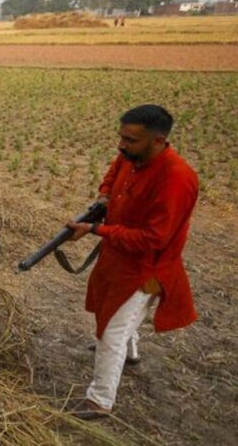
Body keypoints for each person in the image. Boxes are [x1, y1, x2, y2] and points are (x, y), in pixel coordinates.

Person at [65, 104, 199, 420]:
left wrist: (95, 229)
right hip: (118, 258)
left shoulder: (176, 179)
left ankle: (100, 401)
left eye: (131, 140)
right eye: (121, 137)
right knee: (112, 310)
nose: (122, 145)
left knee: (112, 330)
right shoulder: (133, 158)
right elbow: (114, 173)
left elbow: (154, 239)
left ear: (159, 140)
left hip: (149, 269)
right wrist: (104, 197)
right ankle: (131, 353)